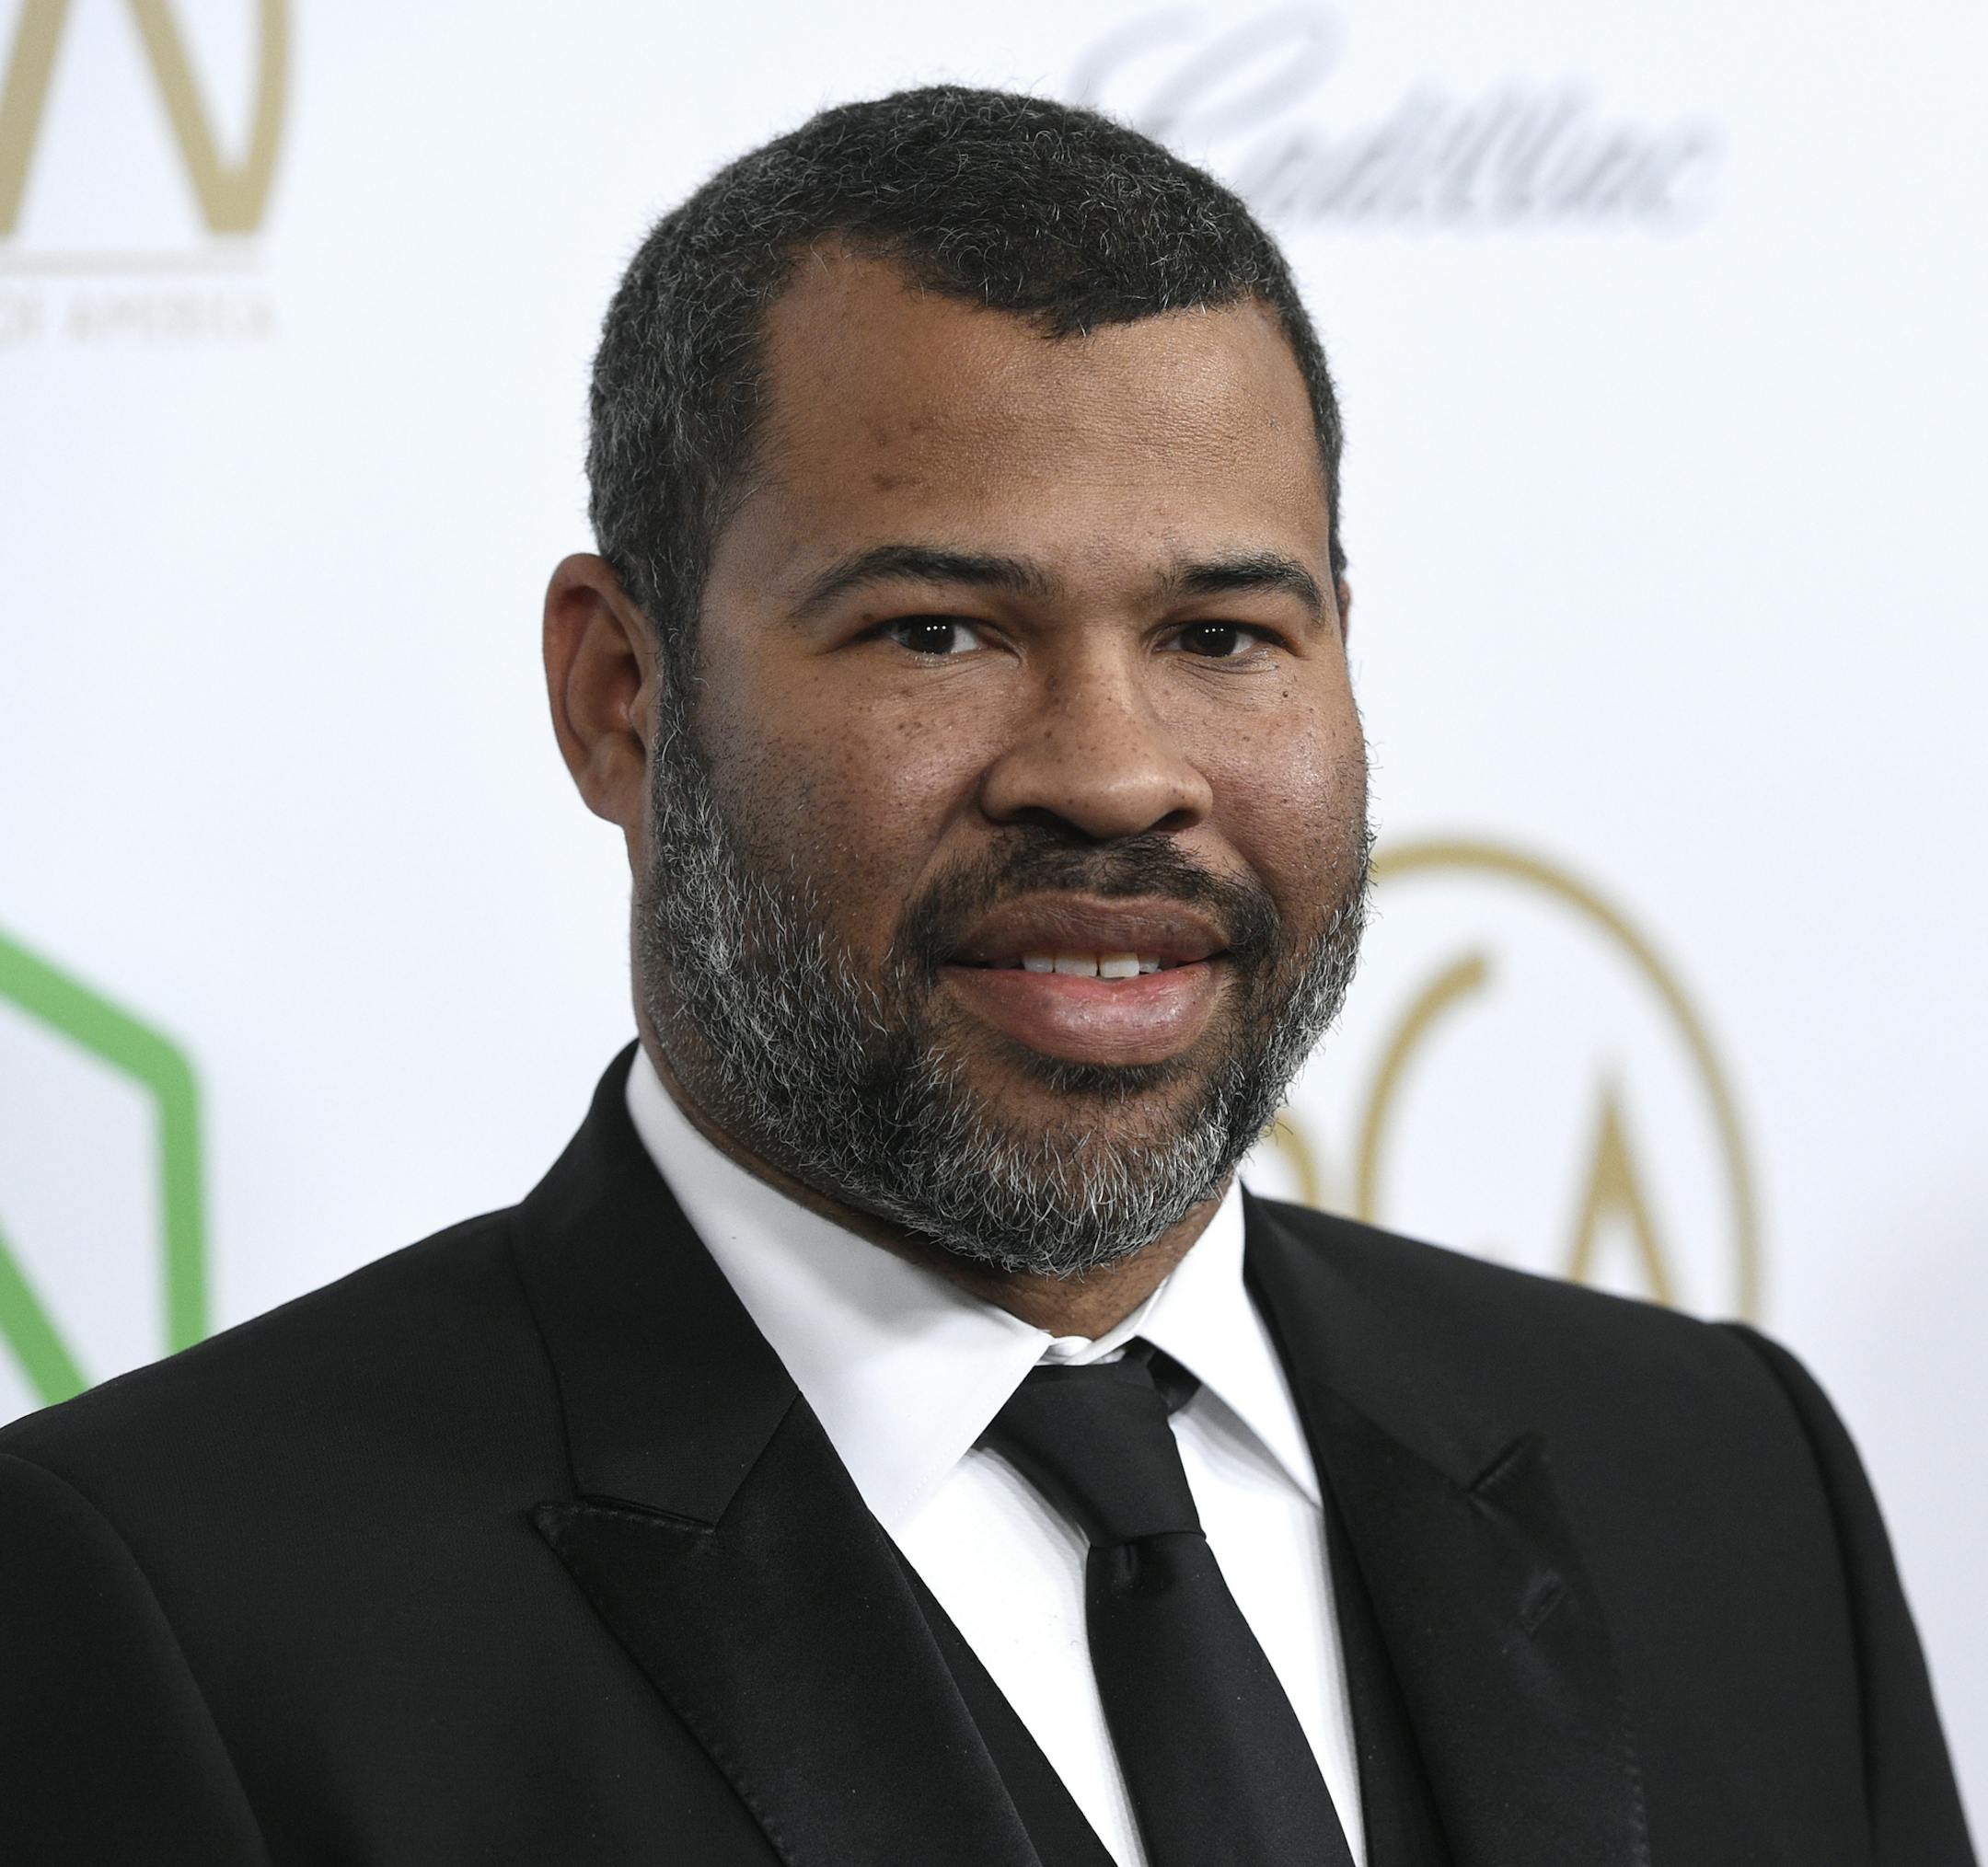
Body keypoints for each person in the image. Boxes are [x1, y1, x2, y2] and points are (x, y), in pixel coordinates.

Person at [0, 85, 1972, 1867]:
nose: (1115, 771)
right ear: (620, 695)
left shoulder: (1722, 1480)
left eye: (1221, 632)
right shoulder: (167, 1603)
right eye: (939, 632)